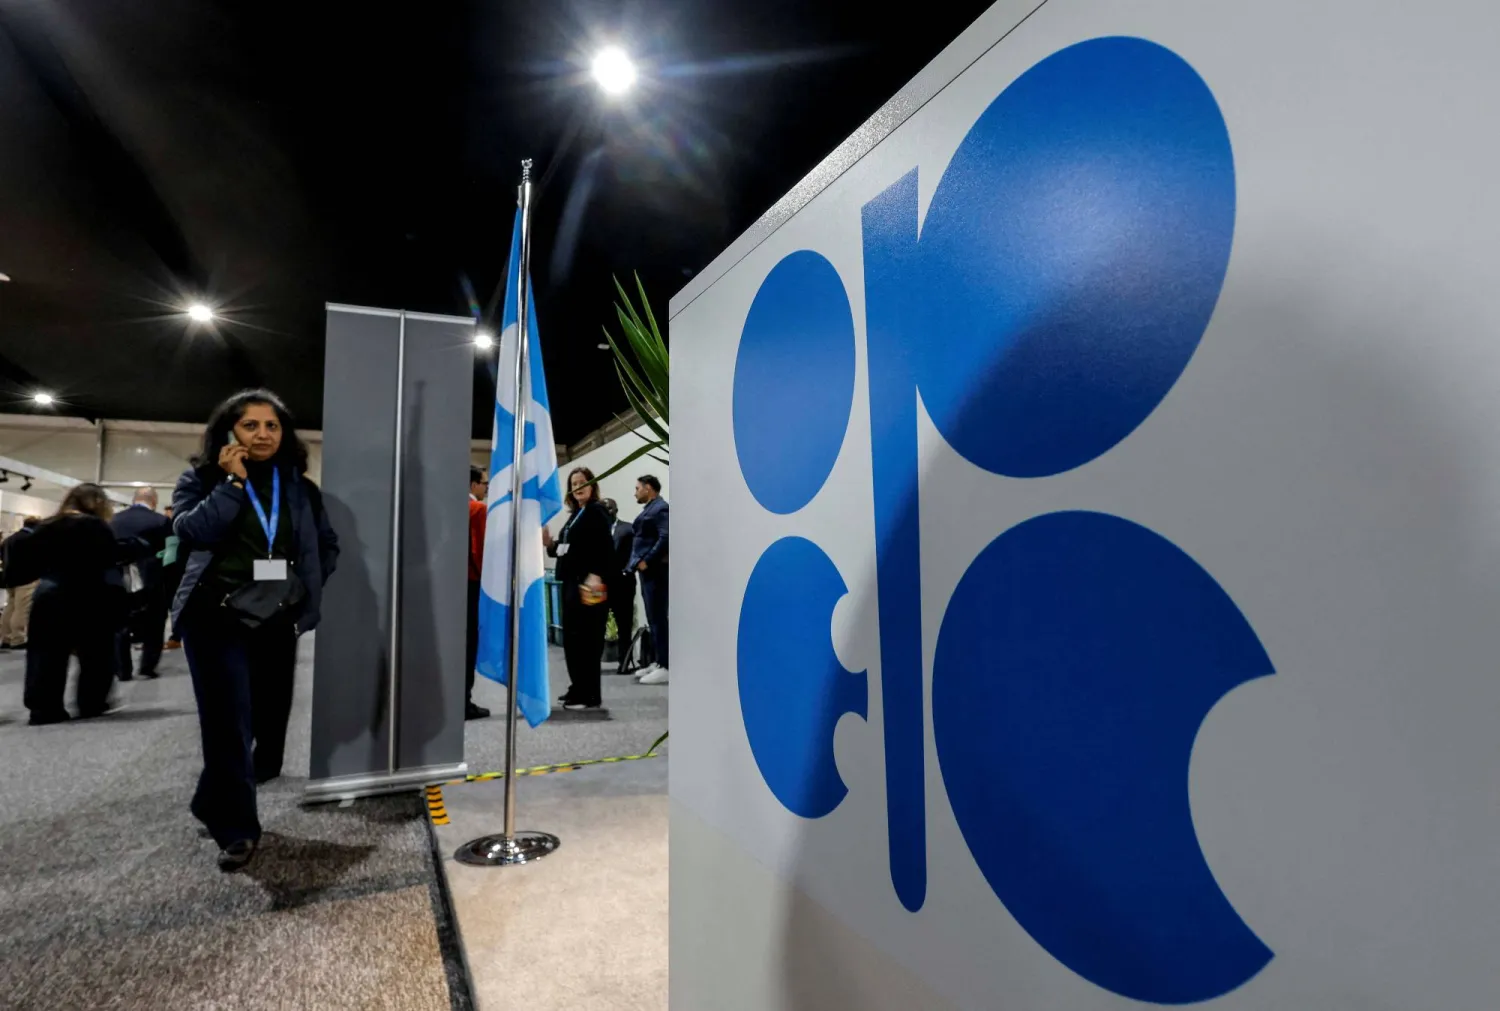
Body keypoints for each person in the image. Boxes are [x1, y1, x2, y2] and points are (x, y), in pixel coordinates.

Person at [172, 389, 339, 871]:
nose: (262, 434)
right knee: (228, 721)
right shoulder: (201, 478)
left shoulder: (300, 488)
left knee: (268, 718)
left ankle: (212, 799)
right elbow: (192, 532)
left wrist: (304, 587)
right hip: (215, 617)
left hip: (275, 616)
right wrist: (231, 483)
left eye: (272, 426)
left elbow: (325, 544)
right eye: (250, 425)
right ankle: (237, 829)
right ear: (229, 432)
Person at [10, 486, 136, 724]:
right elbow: (107, 560)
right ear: (97, 502)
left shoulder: (45, 526)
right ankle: (91, 702)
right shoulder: (96, 527)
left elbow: (22, 567)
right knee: (96, 652)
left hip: (49, 594)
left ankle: (44, 708)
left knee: (45, 654)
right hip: (89, 594)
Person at [542, 467, 613, 710]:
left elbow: (605, 548)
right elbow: (563, 548)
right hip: (571, 583)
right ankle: (577, 687)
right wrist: (549, 544)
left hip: (589, 585)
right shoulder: (575, 515)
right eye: (574, 483)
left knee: (588, 641)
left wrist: (596, 574)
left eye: (583, 482)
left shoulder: (597, 512)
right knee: (573, 639)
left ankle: (589, 695)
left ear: (592, 486)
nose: (578, 486)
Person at [112, 487, 173, 679]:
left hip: (119, 580)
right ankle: (147, 667)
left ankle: (123, 669)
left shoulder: (113, 520)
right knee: (155, 623)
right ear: (153, 501)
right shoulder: (161, 521)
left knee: (120, 625)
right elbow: (170, 554)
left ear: (134, 499)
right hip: (151, 579)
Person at [629, 475, 669, 686]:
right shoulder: (650, 509)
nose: (635, 492)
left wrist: (647, 560)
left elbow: (666, 537)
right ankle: (658, 660)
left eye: (637, 488)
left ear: (648, 488)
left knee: (659, 618)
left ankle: (666, 665)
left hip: (656, 571)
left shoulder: (661, 508)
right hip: (647, 572)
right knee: (653, 617)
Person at [464, 465, 491, 720]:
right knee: (469, 643)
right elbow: (479, 550)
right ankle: (465, 701)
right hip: (472, 583)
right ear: (473, 485)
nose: (486, 487)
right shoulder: (477, 510)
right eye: (484, 483)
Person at [602, 498, 635, 673]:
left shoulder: (627, 529)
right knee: (595, 624)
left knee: (624, 625)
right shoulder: (595, 531)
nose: (608, 512)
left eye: (610, 508)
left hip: (622, 584)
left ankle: (624, 663)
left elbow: (634, 553)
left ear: (616, 510)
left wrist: (627, 571)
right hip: (601, 585)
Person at [0, 516, 41, 650]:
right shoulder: (32, 540)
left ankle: (5, 637)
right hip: (26, 578)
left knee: (9, 608)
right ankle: (18, 638)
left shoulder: (8, 540)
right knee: (22, 609)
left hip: (9, 579)